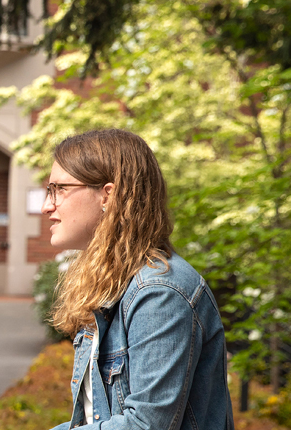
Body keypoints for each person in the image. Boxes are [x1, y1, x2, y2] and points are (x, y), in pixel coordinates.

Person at [39, 129, 234, 430]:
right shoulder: (113, 283)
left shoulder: (160, 292)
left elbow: (146, 425)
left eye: (59, 189)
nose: (47, 206)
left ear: (107, 195)